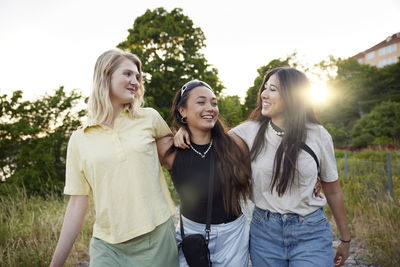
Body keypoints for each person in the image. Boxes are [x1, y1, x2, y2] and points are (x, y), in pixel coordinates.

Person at [175, 68, 350, 266]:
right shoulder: (249, 131)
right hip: (265, 233)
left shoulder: (318, 134)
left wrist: (345, 239)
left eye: (272, 89)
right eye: (264, 88)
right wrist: (184, 128)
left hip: (310, 230)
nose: (264, 94)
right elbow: (209, 137)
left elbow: (333, 191)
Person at [50, 49, 178, 267]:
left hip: (155, 238)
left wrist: (183, 131)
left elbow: (178, 161)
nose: (135, 81)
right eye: (127, 74)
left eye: (138, 77)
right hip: (106, 246)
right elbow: (77, 203)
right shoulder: (79, 139)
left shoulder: (149, 118)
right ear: (105, 75)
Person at [156, 80, 252, 267]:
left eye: (214, 103)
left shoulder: (234, 144)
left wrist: (315, 178)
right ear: (182, 110)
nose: (210, 108)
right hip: (191, 235)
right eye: (201, 102)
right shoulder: (169, 150)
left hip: (232, 237)